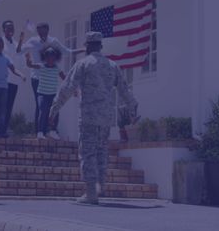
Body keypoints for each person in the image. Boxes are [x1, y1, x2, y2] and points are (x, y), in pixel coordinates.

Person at [49, 32, 138, 205]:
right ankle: (100, 187)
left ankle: (91, 193)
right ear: (101, 46)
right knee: (101, 151)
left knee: (88, 152)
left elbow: (67, 87)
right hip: (106, 118)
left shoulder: (83, 64)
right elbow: (125, 90)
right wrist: (133, 109)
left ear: (88, 46)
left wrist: (54, 109)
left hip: (89, 116)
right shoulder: (113, 65)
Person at [19, 22, 83, 139]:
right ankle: (40, 132)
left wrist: (83, 49)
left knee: (52, 106)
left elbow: (67, 51)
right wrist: (21, 42)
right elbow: (20, 51)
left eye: (42, 31)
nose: (40, 33)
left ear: (47, 30)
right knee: (41, 106)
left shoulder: (53, 41)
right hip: (37, 78)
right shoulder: (33, 41)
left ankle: (51, 130)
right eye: (38, 31)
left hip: (50, 78)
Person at [0, 20, 25, 136]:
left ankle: (2, 131)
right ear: (3, 29)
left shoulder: (16, 44)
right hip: (0, 81)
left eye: (12, 28)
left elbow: (20, 61)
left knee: (8, 107)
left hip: (13, 81)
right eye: (8, 28)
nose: (10, 30)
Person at [26, 47, 65, 139]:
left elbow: (65, 78)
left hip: (53, 94)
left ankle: (52, 131)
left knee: (55, 112)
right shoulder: (41, 66)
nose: (51, 60)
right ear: (46, 58)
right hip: (42, 94)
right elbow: (30, 65)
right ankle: (40, 132)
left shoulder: (57, 68)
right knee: (43, 111)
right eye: (49, 57)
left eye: (52, 58)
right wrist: (27, 58)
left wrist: (73, 87)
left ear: (55, 58)